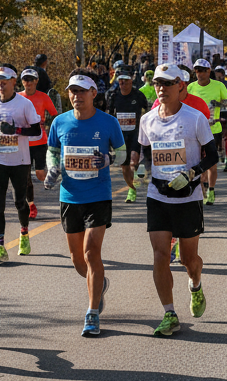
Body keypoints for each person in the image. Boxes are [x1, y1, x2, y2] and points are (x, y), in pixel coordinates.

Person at [134, 63, 216, 336]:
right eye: (157, 83)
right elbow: (146, 151)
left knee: (188, 260)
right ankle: (169, 312)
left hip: (188, 197)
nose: (161, 89)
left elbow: (213, 156)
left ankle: (195, 284)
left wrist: (193, 173)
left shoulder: (195, 118)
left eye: (167, 84)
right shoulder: (147, 120)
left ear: (181, 86)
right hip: (157, 195)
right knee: (160, 255)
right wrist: (139, 168)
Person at [44, 69, 126, 336]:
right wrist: (52, 169)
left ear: (93, 93)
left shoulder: (108, 122)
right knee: (78, 261)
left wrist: (109, 160)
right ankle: (99, 285)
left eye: (81, 90)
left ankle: (91, 313)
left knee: (92, 253)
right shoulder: (60, 122)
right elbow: (52, 153)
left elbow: (123, 155)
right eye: (72, 91)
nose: (76, 95)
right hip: (69, 196)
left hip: (98, 195)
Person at [0, 65, 41, 263]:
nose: (0, 83)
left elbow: (37, 132)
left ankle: (24, 233)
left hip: (20, 161)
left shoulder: (24, 104)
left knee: (19, 202)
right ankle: (0, 247)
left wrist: (17, 130)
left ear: (14, 81)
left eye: (5, 79)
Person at [187, 58, 227, 204]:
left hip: (214, 129)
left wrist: (217, 103)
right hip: (195, 130)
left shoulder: (218, 86)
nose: (199, 73)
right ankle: (202, 191)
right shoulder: (190, 87)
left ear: (208, 71)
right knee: (198, 162)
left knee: (211, 163)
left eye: (202, 70)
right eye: (196, 70)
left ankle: (211, 190)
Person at [20, 67, 58, 219]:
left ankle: (53, 175)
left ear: (36, 81)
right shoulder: (17, 98)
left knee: (40, 174)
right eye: (25, 80)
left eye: (30, 80)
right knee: (26, 177)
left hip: (40, 141)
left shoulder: (43, 97)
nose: (27, 83)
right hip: (23, 143)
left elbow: (55, 115)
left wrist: (50, 127)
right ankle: (31, 206)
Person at [106, 71, 149, 202]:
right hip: (120, 135)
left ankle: (133, 184)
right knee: (124, 167)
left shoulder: (139, 95)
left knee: (133, 161)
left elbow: (147, 112)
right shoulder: (114, 96)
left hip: (135, 133)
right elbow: (109, 115)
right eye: (120, 81)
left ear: (131, 81)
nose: (122, 83)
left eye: (125, 80)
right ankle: (131, 187)